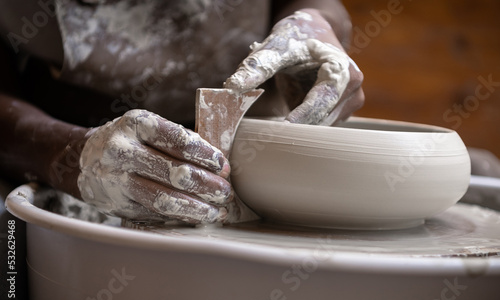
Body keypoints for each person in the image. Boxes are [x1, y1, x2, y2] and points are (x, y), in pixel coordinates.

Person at [0, 0, 363, 225]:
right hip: (60, 142)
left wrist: (317, 22)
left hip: (256, 160)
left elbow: (315, 4)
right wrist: (73, 156)